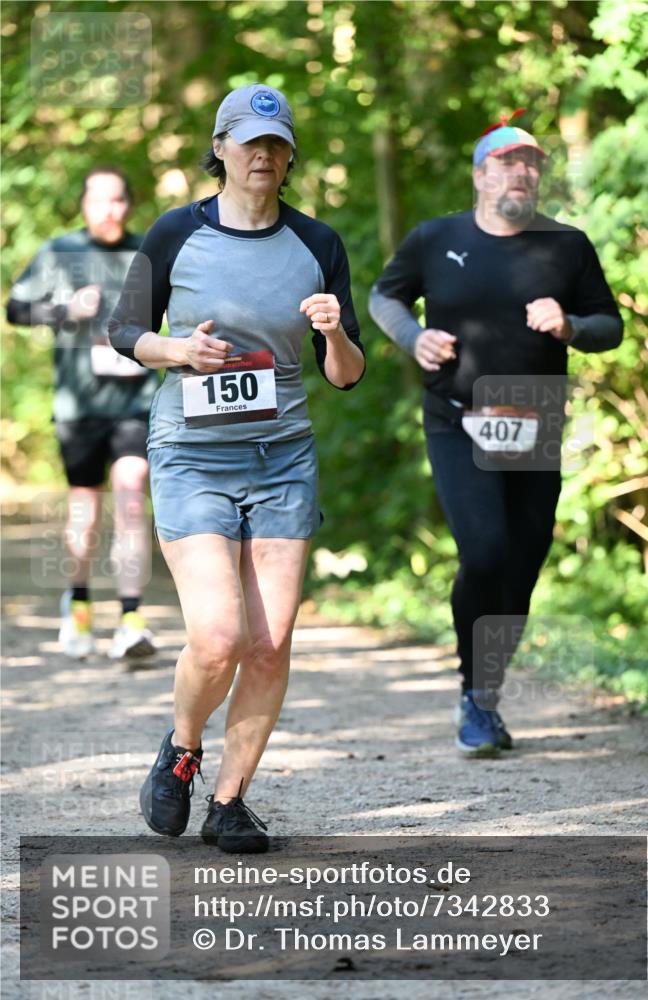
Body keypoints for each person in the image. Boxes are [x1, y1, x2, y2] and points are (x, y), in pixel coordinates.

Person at [108, 84, 365, 852]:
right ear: (219, 148)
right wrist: (179, 350)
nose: (263, 154)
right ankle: (183, 747)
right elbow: (124, 330)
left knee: (270, 640)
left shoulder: (317, 245)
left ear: (289, 158)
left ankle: (230, 802)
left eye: (277, 143)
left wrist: (331, 333)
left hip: (282, 453)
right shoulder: (175, 233)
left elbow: (346, 374)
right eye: (248, 141)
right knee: (218, 636)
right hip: (190, 448)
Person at [369, 111, 622, 757]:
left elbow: (608, 326)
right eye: (507, 163)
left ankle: (487, 694)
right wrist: (412, 337)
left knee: (521, 564)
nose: (521, 173)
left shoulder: (566, 245)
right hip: (457, 416)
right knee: (482, 551)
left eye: (531, 163)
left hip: (533, 416)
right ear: (480, 175)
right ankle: (472, 696)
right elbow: (383, 297)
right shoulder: (435, 238)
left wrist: (569, 325)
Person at [6, 167, 159, 660]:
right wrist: (63, 309)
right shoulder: (59, 253)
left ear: (129, 205)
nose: (109, 210)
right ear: (84, 205)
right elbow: (15, 309)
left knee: (132, 495)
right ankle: (79, 604)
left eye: (118, 201)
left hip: (137, 400)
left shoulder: (149, 252)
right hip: (79, 404)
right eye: (99, 201)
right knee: (86, 511)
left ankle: (132, 618)